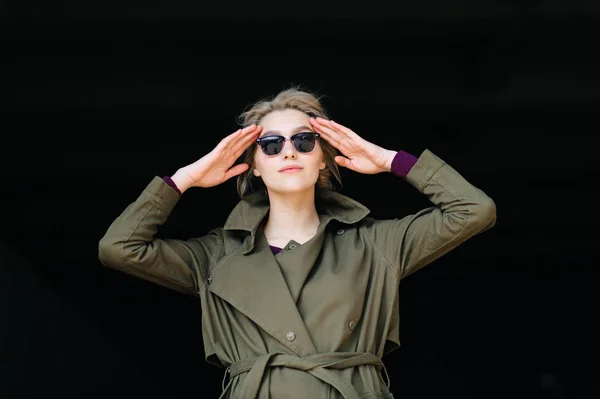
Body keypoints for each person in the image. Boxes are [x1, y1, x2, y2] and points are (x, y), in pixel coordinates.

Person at [98, 87, 497, 399]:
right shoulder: (216, 255)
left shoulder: (375, 243)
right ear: (254, 163)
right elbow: (119, 248)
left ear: (323, 156)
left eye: (304, 141)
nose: (288, 151)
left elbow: (474, 211)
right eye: (271, 145)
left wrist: (389, 159)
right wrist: (184, 178)